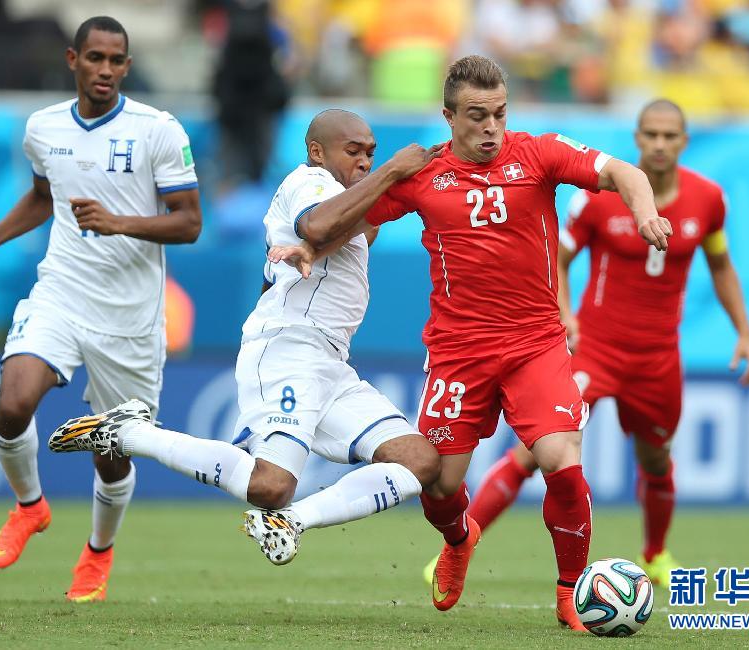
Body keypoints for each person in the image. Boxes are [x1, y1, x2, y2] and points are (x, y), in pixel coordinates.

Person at [272, 54, 672, 630]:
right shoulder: (423, 176)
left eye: (499, 114)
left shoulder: (538, 153)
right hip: (460, 352)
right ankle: (459, 538)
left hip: (536, 343)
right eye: (477, 116)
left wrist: (645, 212)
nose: (491, 128)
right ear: (449, 116)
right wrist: (311, 249)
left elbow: (626, 174)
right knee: (438, 482)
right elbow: (358, 223)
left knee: (562, 462)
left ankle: (569, 597)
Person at [48, 110, 442, 567]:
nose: (364, 161)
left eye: (371, 153)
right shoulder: (309, 183)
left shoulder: (346, 200)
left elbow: (346, 231)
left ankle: (292, 522)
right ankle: (129, 432)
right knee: (270, 486)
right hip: (288, 349)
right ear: (317, 151)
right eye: (352, 151)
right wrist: (394, 170)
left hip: (330, 363)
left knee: (421, 463)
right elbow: (317, 225)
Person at [0, 16, 202, 602]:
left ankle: (97, 554)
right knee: (13, 403)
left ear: (127, 67)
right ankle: (30, 507)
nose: (105, 70)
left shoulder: (157, 131)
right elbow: (42, 197)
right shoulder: (43, 128)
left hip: (131, 319)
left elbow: (190, 222)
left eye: (116, 60)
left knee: (111, 455)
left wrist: (118, 223)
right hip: (61, 291)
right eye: (95, 59)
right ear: (73, 60)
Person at [463, 99, 749, 587]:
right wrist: (564, 313)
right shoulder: (599, 198)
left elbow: (721, 265)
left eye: (670, 136)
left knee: (656, 459)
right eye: (651, 135)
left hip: (658, 358)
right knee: (536, 451)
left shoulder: (709, 200)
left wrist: (745, 334)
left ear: (684, 142)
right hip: (595, 351)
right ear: (637, 138)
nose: (660, 144)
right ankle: (461, 544)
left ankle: (656, 554)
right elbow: (556, 257)